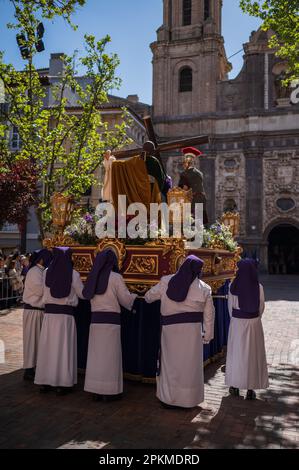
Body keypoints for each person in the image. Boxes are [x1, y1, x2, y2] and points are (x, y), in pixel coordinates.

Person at [145, 255, 215, 409]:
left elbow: (149, 296)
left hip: (170, 332)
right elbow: (209, 315)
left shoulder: (166, 281)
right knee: (190, 365)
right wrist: (208, 334)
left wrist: (147, 298)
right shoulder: (204, 288)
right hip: (192, 333)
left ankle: (169, 398)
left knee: (170, 364)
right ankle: (188, 400)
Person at [83, 249, 137, 401]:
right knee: (110, 357)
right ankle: (108, 392)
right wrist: (135, 298)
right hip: (111, 324)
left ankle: (95, 390)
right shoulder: (115, 277)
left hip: (95, 323)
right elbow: (125, 299)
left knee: (96, 356)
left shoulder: (92, 277)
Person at [34, 247, 84, 395]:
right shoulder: (73, 274)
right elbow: (82, 294)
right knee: (63, 349)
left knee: (48, 348)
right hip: (65, 318)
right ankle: (62, 383)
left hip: (49, 317)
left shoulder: (46, 272)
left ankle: (45, 381)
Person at [225, 259, 268, 400]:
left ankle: (235, 386)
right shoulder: (258, 287)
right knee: (252, 354)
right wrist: (254, 318)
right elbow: (261, 307)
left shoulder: (233, 286)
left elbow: (230, 308)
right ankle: (251, 388)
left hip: (238, 323)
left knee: (237, 353)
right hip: (254, 323)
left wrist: (237, 319)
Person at [22, 249, 52, 381]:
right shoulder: (34, 271)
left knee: (39, 342)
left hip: (39, 311)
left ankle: (37, 367)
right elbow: (40, 290)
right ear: (41, 259)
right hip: (33, 311)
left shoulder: (40, 271)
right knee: (31, 341)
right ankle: (29, 369)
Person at [178, 147, 208, 224]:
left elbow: (184, 189)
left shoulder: (184, 174)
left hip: (191, 202)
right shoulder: (199, 173)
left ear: (186, 163)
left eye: (184, 163)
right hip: (201, 200)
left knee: (190, 225)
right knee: (200, 225)